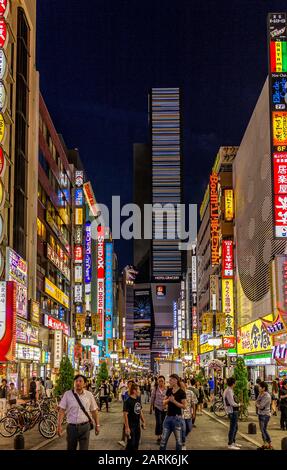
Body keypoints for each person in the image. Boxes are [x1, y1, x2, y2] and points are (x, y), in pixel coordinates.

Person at [57, 374, 100, 450]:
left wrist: (97, 425)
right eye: (76, 381)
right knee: (71, 448)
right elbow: (62, 410)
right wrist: (59, 426)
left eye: (80, 381)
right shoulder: (68, 394)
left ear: (85, 383)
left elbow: (94, 411)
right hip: (72, 428)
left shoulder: (89, 395)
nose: (78, 383)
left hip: (85, 427)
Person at [160, 374, 186, 451]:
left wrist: (174, 401)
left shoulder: (181, 392)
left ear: (176, 380)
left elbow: (184, 406)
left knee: (178, 441)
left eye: (171, 380)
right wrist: (169, 400)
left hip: (177, 419)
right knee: (163, 441)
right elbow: (163, 402)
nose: (169, 381)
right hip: (167, 417)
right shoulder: (169, 390)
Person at [123, 383, 146, 451]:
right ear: (134, 391)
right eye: (138, 389)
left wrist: (143, 421)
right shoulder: (128, 401)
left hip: (137, 425)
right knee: (131, 444)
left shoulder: (138, 399)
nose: (139, 391)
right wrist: (127, 428)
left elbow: (140, 410)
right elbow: (125, 415)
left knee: (136, 443)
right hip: (130, 425)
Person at [223, 377, 241, 450]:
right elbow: (232, 403)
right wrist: (239, 404)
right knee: (233, 428)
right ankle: (230, 444)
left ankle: (233, 442)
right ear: (233, 383)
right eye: (235, 382)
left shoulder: (229, 390)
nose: (235, 384)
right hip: (232, 411)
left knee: (235, 427)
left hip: (231, 411)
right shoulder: (229, 391)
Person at [256, 381, 273, 450]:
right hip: (261, 414)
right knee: (263, 430)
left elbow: (261, 406)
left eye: (260, 387)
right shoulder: (261, 394)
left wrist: (257, 404)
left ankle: (269, 443)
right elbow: (257, 401)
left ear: (264, 388)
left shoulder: (267, 396)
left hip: (265, 415)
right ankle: (266, 444)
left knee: (263, 430)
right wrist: (258, 403)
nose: (258, 388)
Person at [150, 375, 166, 444]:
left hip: (165, 409)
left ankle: (162, 435)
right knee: (158, 422)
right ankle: (158, 437)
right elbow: (152, 398)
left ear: (164, 381)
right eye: (159, 381)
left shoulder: (167, 389)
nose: (161, 382)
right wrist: (151, 407)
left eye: (162, 381)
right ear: (158, 382)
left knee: (163, 423)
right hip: (157, 407)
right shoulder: (155, 389)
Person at [118, 379, 135, 447]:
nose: (130, 385)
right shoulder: (126, 393)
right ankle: (124, 440)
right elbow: (125, 403)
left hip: (134, 414)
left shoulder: (135, 393)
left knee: (132, 427)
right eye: (129, 384)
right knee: (125, 426)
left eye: (131, 384)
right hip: (127, 413)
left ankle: (131, 440)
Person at [181, 380, 196, 450]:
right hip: (180, 415)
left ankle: (182, 437)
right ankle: (183, 443)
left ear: (185, 385)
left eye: (182, 385)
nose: (181, 387)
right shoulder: (178, 393)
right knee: (183, 429)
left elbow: (193, 403)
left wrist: (194, 413)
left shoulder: (190, 393)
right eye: (180, 386)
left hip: (188, 414)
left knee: (189, 428)